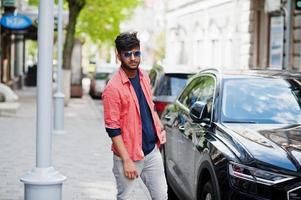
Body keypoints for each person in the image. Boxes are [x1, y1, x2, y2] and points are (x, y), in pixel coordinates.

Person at [102, 32, 168, 200]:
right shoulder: (113, 88)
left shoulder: (144, 76)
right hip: (129, 155)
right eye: (127, 54)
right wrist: (126, 160)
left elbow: (149, 106)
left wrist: (158, 126)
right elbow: (112, 129)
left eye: (136, 53)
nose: (133, 58)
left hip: (151, 151)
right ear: (119, 56)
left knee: (161, 196)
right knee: (126, 197)